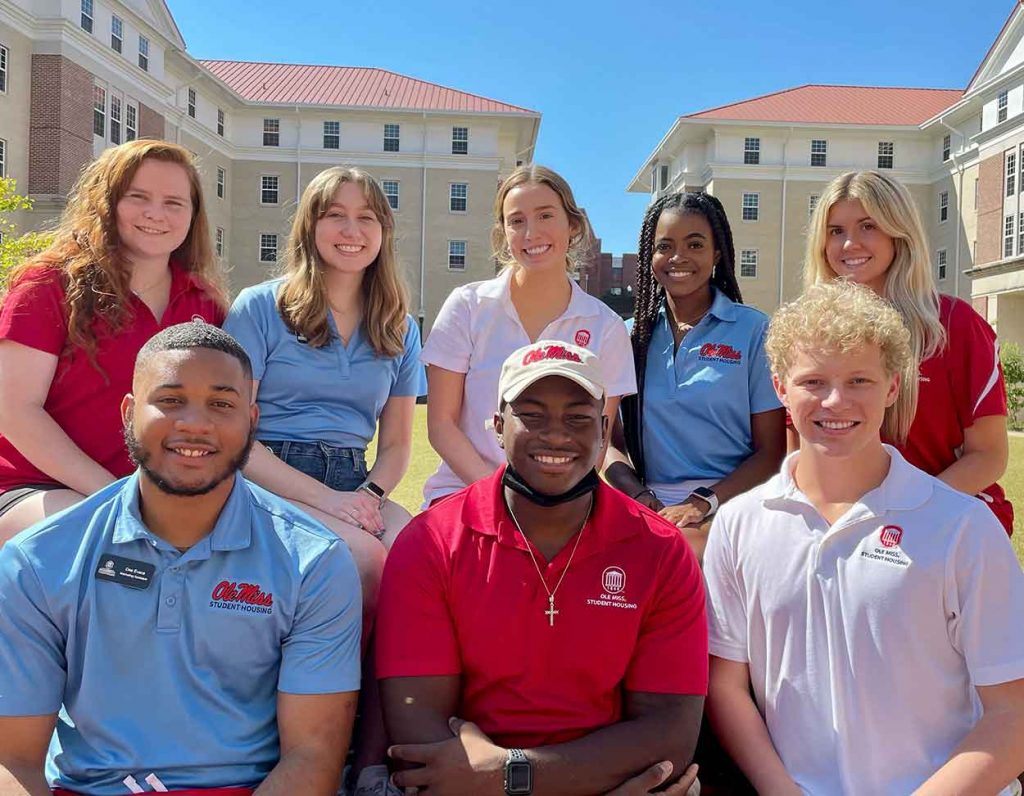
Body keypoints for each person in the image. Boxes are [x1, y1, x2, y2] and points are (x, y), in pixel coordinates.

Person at [0, 322, 362, 796]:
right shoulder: (38, 560)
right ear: (129, 413)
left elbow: (313, 757)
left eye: (222, 404)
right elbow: (14, 760)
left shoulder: (314, 561)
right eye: (170, 400)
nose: (195, 422)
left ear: (252, 421)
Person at [704, 281, 1024, 795]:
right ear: (780, 388)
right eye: (813, 381)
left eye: (859, 379)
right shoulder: (740, 525)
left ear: (893, 387)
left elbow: (1013, 713)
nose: (836, 401)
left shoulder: (961, 526)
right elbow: (725, 685)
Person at [377, 340, 707, 795]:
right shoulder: (431, 542)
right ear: (497, 424)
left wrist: (513, 774)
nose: (556, 435)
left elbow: (670, 734)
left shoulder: (661, 550)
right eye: (531, 414)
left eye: (578, 417)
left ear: (604, 428)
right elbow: (422, 735)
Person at [223, 165, 424, 796]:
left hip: (353, 479)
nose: (351, 229)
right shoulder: (262, 307)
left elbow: (395, 446)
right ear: (310, 226)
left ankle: (383, 752)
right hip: (271, 474)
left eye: (366, 217)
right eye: (335, 214)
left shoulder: (398, 325)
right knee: (365, 562)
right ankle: (324, 744)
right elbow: (237, 439)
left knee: (427, 556)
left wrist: (365, 496)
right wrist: (332, 503)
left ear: (383, 232)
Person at [0, 140, 227, 543]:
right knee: (102, 545)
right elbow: (14, 410)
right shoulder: (48, 287)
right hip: (35, 488)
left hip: (159, 500)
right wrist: (117, 495)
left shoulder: (204, 304)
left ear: (193, 215)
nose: (156, 214)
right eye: (137, 197)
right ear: (105, 203)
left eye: (174, 202)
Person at [801, 170, 1013, 533]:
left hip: (947, 522)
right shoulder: (810, 332)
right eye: (836, 231)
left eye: (868, 226)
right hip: (848, 524)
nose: (850, 244)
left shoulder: (953, 325)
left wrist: (905, 513)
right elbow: (802, 452)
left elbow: (989, 455)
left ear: (899, 232)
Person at [421, 164, 635, 506]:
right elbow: (442, 426)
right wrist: (501, 497)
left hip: (561, 505)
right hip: (465, 495)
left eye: (545, 215)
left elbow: (595, 442)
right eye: (516, 220)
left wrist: (546, 507)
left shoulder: (606, 327)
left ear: (573, 225)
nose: (531, 232)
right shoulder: (467, 306)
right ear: (503, 232)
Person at [606, 191, 785, 562]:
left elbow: (771, 452)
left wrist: (704, 502)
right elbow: (607, 443)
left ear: (716, 254)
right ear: (649, 256)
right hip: (648, 506)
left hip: (733, 502)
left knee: (684, 560)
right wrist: (640, 498)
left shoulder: (753, 331)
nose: (678, 257)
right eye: (665, 246)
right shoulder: (628, 336)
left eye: (695, 244)